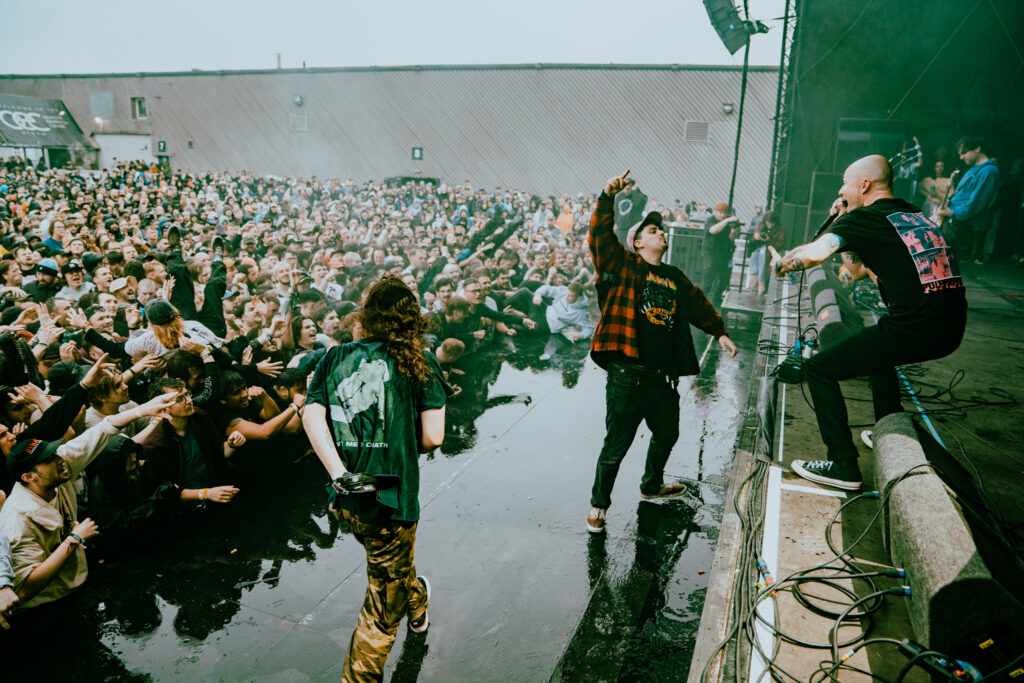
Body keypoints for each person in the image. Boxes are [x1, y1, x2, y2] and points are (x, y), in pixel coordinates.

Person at [769, 155, 966, 490]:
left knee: (819, 369)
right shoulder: (912, 214)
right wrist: (844, 220)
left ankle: (843, 465)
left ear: (864, 185)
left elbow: (815, 254)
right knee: (880, 351)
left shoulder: (867, 218)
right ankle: (885, 426)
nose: (841, 188)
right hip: (949, 326)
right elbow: (858, 270)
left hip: (915, 327)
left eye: (845, 182)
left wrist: (783, 264)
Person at [302, 276, 452, 683]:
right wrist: (400, 443)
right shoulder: (418, 360)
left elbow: (311, 415)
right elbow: (434, 436)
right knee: (382, 613)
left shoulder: (335, 357)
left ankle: (416, 602)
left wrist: (339, 473)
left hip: (346, 499)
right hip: (391, 500)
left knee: (392, 569)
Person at [586, 170, 737, 534]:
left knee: (668, 432)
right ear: (637, 242)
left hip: (661, 377)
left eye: (660, 229)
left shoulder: (672, 275)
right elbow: (600, 239)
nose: (660, 232)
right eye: (652, 230)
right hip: (628, 375)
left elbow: (697, 302)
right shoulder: (623, 267)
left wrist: (718, 332)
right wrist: (607, 196)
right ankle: (597, 506)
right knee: (616, 446)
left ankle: (651, 484)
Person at [0, 391, 177, 610]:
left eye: (54, 452)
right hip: (48, 606)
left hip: (75, 583)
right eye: (49, 459)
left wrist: (143, 410)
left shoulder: (58, 468)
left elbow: (101, 431)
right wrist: (73, 540)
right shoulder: (17, 521)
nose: (60, 459)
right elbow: (25, 587)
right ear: (29, 477)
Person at [938, 135, 1000, 263]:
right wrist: (950, 201)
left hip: (960, 224)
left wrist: (951, 212)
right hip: (954, 220)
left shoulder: (989, 171)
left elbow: (976, 203)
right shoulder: (974, 169)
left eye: (964, 153)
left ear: (977, 148)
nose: (961, 157)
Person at [702, 201, 741, 304]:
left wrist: (737, 229)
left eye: (725, 213)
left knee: (725, 278)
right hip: (711, 253)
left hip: (724, 254)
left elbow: (731, 238)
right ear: (715, 212)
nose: (723, 215)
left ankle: (716, 298)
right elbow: (713, 230)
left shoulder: (727, 224)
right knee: (708, 279)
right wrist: (727, 220)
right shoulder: (711, 220)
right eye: (721, 212)